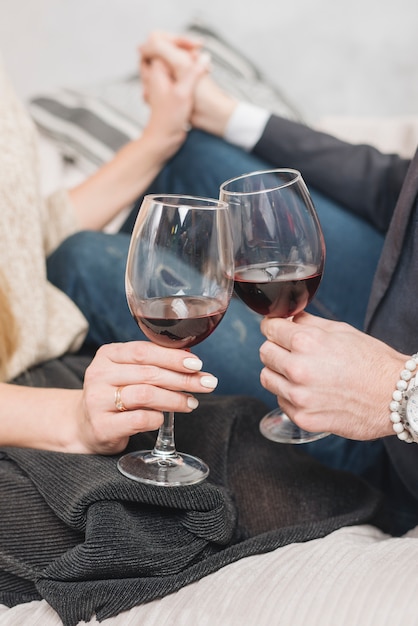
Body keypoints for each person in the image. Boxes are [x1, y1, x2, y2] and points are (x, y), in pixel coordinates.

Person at [120, 30, 418, 535]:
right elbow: (399, 183)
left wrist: (395, 391)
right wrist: (220, 111)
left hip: (399, 439)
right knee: (192, 152)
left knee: (81, 259)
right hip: (399, 289)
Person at [0, 49, 222, 454]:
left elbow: (18, 234)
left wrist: (161, 135)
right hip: (26, 402)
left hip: (43, 339)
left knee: (199, 153)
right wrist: (75, 418)